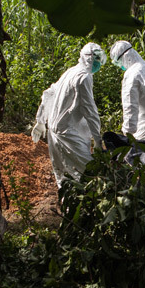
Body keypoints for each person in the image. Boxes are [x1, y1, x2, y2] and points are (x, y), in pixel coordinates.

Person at [31, 42, 106, 187]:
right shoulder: (83, 77)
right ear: (88, 58)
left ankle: (68, 207)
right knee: (88, 174)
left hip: (55, 131)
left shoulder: (71, 71)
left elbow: (49, 93)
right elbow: (90, 111)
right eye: (96, 59)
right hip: (68, 133)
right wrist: (97, 140)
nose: (98, 63)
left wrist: (41, 120)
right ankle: (86, 207)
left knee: (63, 174)